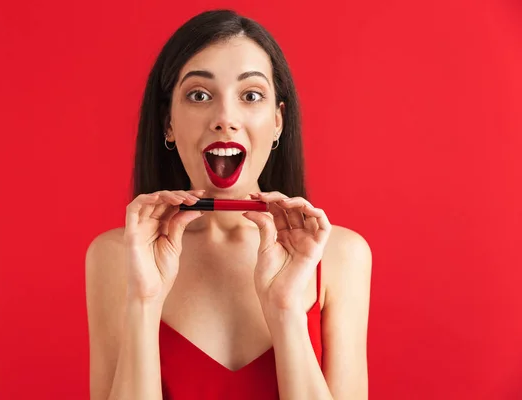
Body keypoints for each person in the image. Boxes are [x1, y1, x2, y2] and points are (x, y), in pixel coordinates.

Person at [85, 9, 372, 400]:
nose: (225, 118)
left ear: (277, 122)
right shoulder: (116, 257)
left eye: (250, 95)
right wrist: (145, 301)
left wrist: (286, 310)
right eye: (199, 95)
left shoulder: (341, 256)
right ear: (168, 121)